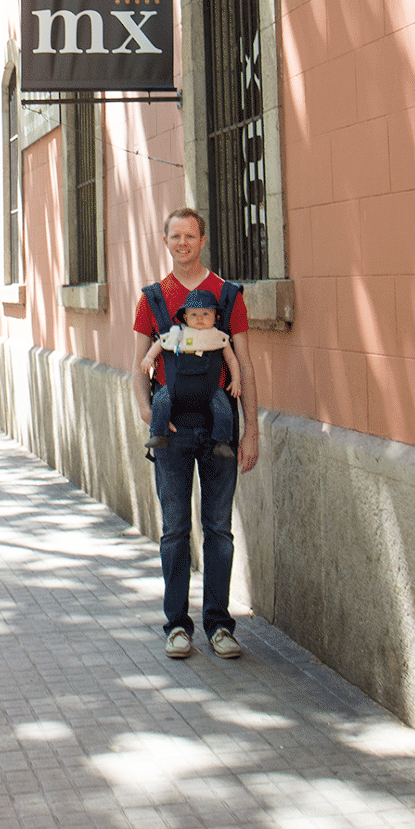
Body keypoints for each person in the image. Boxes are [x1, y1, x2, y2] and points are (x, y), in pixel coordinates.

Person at [132, 206, 258, 661]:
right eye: (175, 236)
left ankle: (220, 626)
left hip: (220, 429)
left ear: (202, 240)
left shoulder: (227, 296)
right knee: (174, 530)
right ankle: (177, 626)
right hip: (171, 433)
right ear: (166, 241)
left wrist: (252, 433)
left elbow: (243, 365)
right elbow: (139, 367)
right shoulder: (152, 299)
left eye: (190, 235)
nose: (183, 243)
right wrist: (149, 414)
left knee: (218, 530)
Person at [141, 289, 241, 457]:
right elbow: (161, 342)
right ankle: (159, 434)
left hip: (210, 388)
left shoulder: (218, 337)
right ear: (185, 318)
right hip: (176, 387)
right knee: (160, 400)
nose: (200, 318)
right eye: (194, 314)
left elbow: (231, 359)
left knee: (224, 408)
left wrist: (236, 379)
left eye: (205, 313)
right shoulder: (178, 333)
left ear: (216, 316)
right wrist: (149, 357)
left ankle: (222, 442)